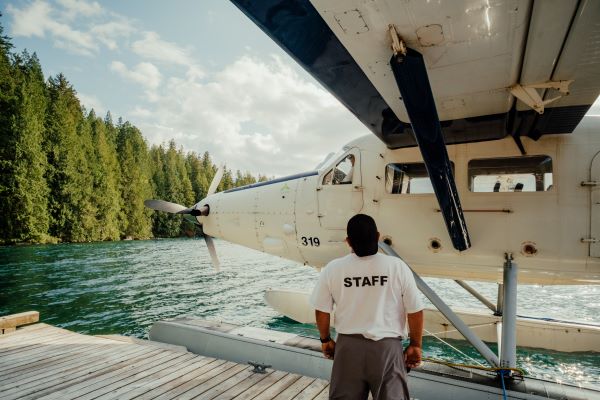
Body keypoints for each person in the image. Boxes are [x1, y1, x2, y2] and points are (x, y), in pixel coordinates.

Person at [310, 214, 424, 400]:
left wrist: (325, 340)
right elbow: (415, 309)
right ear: (377, 236)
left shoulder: (333, 268)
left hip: (348, 349)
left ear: (348, 241)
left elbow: (322, 310)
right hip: (387, 350)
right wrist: (415, 345)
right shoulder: (397, 266)